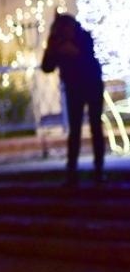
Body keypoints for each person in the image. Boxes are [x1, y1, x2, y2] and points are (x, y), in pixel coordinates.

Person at [41, 12, 105, 186]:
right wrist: (51, 48)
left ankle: (98, 170)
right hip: (73, 88)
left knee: (95, 127)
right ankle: (72, 172)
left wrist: (73, 52)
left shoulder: (84, 37)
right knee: (75, 130)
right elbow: (47, 67)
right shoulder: (58, 42)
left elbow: (87, 58)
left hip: (92, 85)